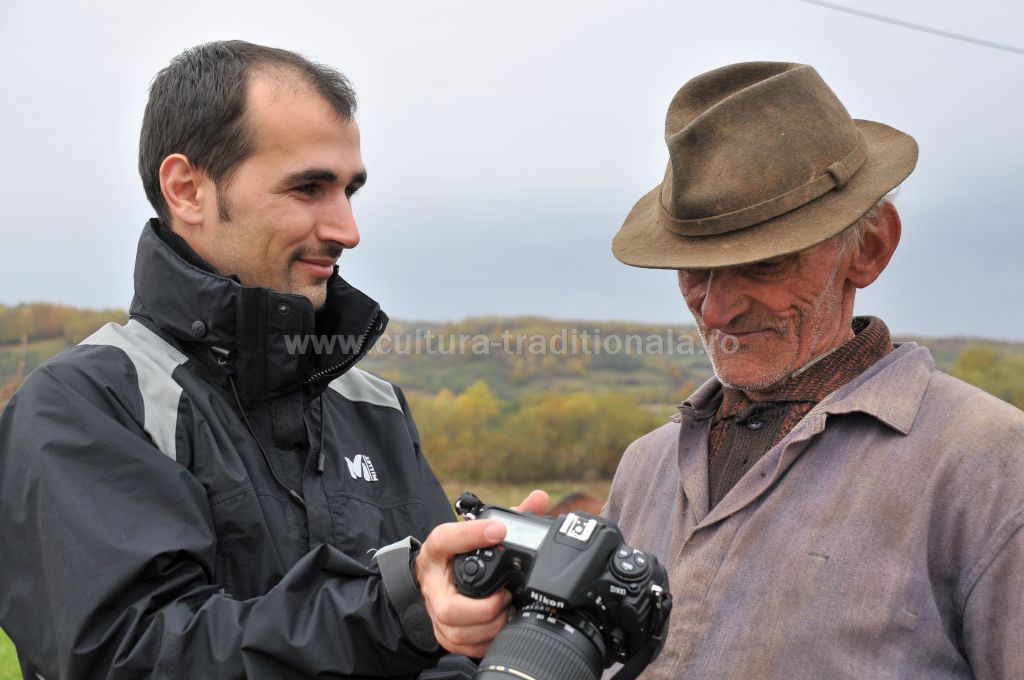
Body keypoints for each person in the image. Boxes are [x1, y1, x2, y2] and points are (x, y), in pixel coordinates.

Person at [0, 40, 546, 679]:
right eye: (309, 187)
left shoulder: (375, 407)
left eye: (349, 191)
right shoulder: (85, 405)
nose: (347, 230)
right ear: (187, 190)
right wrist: (398, 611)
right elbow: (132, 656)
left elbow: (439, 650)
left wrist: (491, 619)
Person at [605, 61, 1024, 679]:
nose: (714, 310)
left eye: (762, 263)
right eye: (695, 268)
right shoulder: (645, 467)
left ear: (869, 247)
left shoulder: (991, 464)